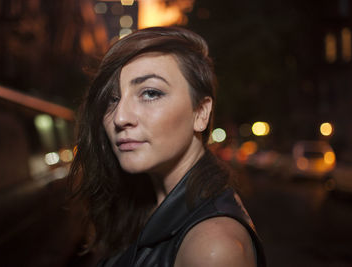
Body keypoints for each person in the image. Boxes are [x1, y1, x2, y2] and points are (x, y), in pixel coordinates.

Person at [69, 26, 266, 267]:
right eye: (113, 98)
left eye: (150, 93)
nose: (120, 117)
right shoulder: (143, 200)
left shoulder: (212, 249)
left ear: (201, 113)